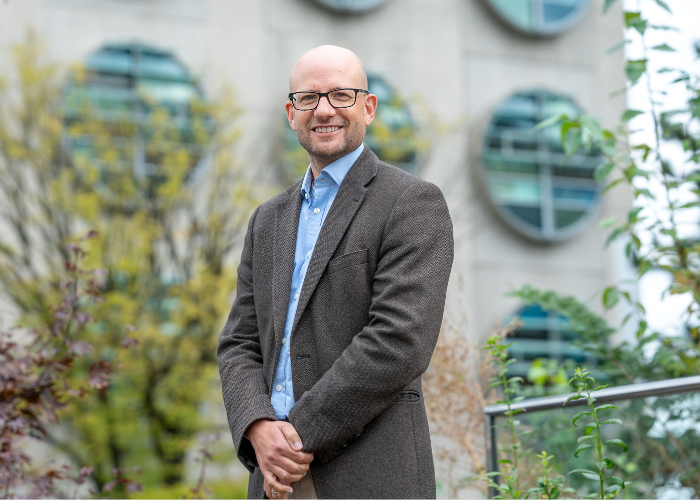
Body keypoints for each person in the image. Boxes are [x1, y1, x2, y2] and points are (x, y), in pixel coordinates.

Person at [217, 45, 453, 499]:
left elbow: (399, 340)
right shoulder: (267, 220)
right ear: (292, 114)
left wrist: (296, 435)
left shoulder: (411, 203)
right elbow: (239, 342)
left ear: (369, 107)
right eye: (308, 98)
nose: (324, 110)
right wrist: (258, 427)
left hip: (368, 474)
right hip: (273, 479)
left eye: (341, 95)